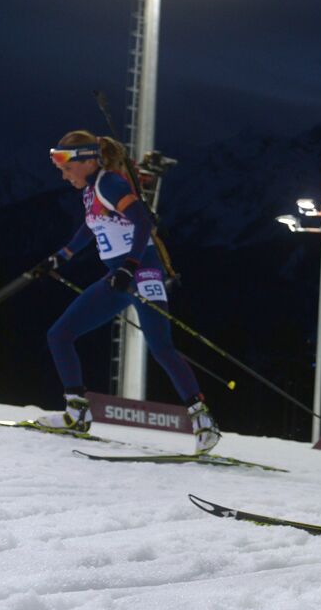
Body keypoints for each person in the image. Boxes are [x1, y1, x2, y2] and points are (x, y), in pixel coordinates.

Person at [33, 131, 220, 454]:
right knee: (59, 334)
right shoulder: (91, 191)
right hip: (118, 276)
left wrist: (129, 266)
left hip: (142, 270)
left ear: (87, 160)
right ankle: (77, 412)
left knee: (160, 346)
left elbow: (143, 222)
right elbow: (88, 228)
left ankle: (204, 422)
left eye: (66, 168)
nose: (64, 176)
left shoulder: (110, 183)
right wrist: (59, 257)